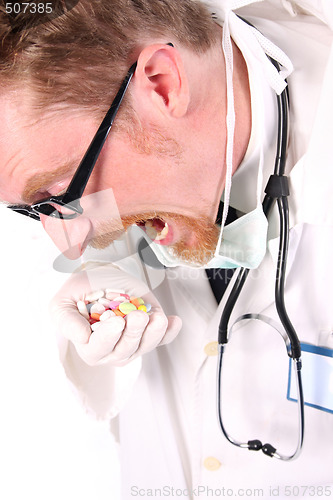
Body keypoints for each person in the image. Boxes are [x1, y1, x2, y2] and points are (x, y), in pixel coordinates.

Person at [0, 0, 332, 498]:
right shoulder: (98, 154)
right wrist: (99, 275)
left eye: (59, 196)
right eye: (32, 211)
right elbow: (41, 268)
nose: (66, 240)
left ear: (162, 84)